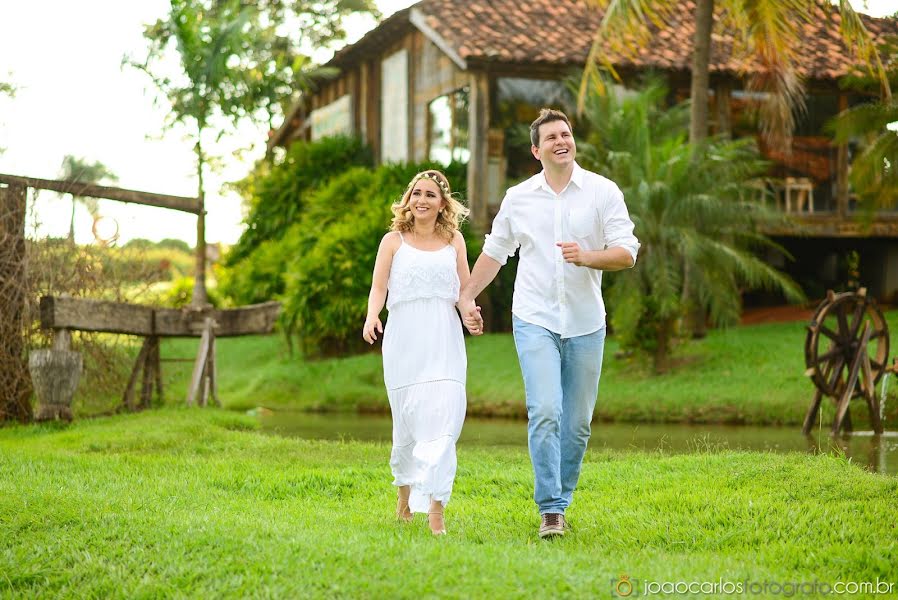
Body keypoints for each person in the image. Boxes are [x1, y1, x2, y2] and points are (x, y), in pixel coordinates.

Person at [458, 108, 639, 539]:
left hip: (586, 323)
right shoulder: (519, 198)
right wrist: (466, 295)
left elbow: (627, 252)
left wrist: (587, 256)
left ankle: (563, 495)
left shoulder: (602, 191)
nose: (562, 141)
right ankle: (551, 510)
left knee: (577, 424)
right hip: (534, 318)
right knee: (544, 411)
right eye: (552, 137)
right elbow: (496, 252)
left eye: (567, 134)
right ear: (537, 150)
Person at [363, 169, 475, 536]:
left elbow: (464, 290)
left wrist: (470, 314)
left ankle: (436, 509)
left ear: (443, 203)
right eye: (416, 193)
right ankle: (403, 501)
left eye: (430, 194)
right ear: (408, 200)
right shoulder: (392, 241)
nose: (422, 200)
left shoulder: (454, 240)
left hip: (443, 335)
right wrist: (371, 316)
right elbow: (379, 286)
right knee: (408, 420)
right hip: (404, 338)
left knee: (443, 417)